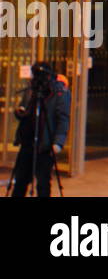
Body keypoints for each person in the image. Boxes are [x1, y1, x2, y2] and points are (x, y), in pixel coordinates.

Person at [8, 62, 70, 198]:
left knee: (43, 183)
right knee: (21, 180)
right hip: (28, 142)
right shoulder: (32, 89)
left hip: (45, 145)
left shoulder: (59, 92)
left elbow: (63, 119)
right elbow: (24, 109)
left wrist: (58, 142)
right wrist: (20, 112)